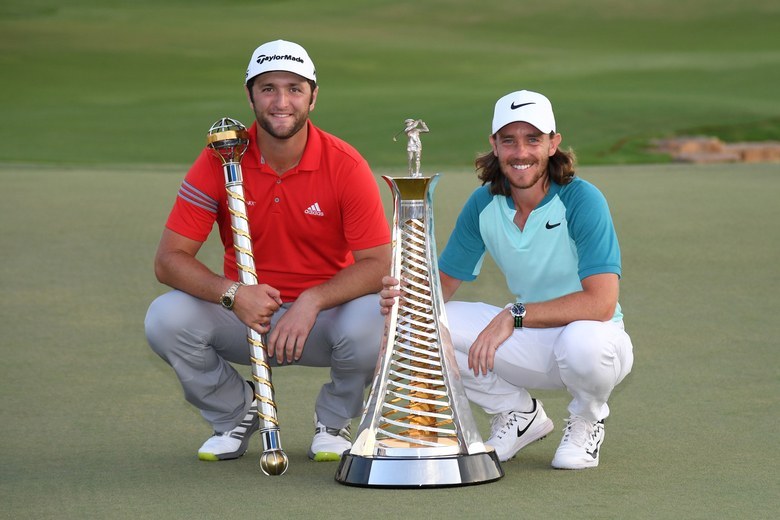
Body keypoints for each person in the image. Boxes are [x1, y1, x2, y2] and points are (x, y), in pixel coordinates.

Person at [145, 40, 391, 463]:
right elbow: (169, 260)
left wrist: (313, 300)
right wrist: (233, 294)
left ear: (314, 96)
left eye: (295, 88)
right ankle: (235, 414)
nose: (281, 102)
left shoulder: (345, 165)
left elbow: (379, 264)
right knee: (165, 318)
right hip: (245, 314)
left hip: (324, 320)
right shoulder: (220, 158)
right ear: (250, 94)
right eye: (268, 88)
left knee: (378, 321)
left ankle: (334, 422)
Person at [380, 90, 633, 469]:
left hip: (596, 337)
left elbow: (600, 304)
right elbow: (440, 289)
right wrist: (404, 299)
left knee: (584, 344)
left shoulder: (582, 200)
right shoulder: (483, 204)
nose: (521, 152)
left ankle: (586, 418)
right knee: (424, 325)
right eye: (509, 140)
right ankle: (518, 415)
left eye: (533, 139)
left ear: (553, 144)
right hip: (531, 337)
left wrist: (513, 314)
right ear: (494, 145)